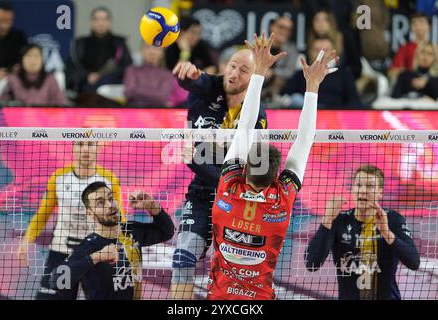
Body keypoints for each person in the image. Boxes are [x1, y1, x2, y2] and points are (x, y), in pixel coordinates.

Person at [206, 32, 338, 300]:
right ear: (277, 176)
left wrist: (259, 71)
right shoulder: (281, 198)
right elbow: (305, 140)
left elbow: (245, 125)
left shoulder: (229, 187)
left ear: (244, 169)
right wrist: (312, 86)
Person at [169, 42, 268, 299]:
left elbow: (244, 179)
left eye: (243, 70)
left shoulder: (256, 115)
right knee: (182, 259)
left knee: (232, 274)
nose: (233, 74)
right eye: (232, 66)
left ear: (256, 78)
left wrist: (196, 163)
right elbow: (194, 81)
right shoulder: (209, 87)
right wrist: (188, 73)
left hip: (237, 201)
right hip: (201, 195)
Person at [17, 141, 124, 299]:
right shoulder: (59, 177)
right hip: (62, 254)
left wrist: (123, 246)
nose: (86, 149)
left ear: (98, 148)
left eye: (90, 144)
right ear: (73, 148)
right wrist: (27, 241)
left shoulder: (108, 179)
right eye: (80, 144)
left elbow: (118, 217)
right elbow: (43, 214)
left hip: (98, 254)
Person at [305, 165, 420, 300]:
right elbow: (312, 264)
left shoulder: (393, 220)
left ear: (380, 192)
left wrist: (386, 232)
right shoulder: (339, 220)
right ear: (353, 189)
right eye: (358, 185)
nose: (363, 190)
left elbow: (414, 263)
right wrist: (326, 221)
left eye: (370, 186)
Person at [48, 181, 174, 300]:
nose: (110, 205)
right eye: (100, 203)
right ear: (90, 213)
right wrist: (96, 257)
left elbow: (167, 232)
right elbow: (56, 281)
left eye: (110, 198)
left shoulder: (131, 231)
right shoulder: (88, 247)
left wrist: (151, 206)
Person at [283, 35, 363, 109]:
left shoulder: (345, 75)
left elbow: (354, 102)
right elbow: (285, 98)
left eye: (326, 50)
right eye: (317, 50)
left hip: (334, 118)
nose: (321, 54)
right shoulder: (301, 75)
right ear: (310, 52)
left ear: (334, 54)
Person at [65, 6, 132, 94]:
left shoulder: (119, 43)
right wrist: (87, 75)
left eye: (104, 19)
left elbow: (128, 67)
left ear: (110, 22)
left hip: (111, 90)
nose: (100, 23)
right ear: (91, 22)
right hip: (84, 91)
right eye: (96, 19)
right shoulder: (80, 43)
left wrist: (103, 77)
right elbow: (71, 67)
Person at [0, 44, 67, 105]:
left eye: (36, 56)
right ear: (22, 59)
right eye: (29, 56)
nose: (33, 60)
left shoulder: (50, 78)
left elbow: (60, 103)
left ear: (42, 60)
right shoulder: (13, 79)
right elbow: (3, 103)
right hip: (20, 117)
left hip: (45, 117)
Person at [123, 41, 186, 107]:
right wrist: (155, 93)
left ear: (162, 52)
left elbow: (163, 96)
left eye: (156, 48)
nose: (151, 51)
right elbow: (129, 92)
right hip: (133, 112)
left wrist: (137, 91)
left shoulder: (167, 74)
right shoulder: (132, 70)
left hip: (159, 113)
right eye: (147, 47)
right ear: (141, 50)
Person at [0, 1, 27, 98]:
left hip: (6, 81)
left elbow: (24, 61)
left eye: (9, 21)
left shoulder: (18, 37)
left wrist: (16, 69)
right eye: (1, 20)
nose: (5, 25)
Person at [262, 15, 299, 105]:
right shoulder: (261, 45)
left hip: (279, 90)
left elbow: (290, 71)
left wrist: (272, 73)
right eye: (281, 27)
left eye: (288, 29)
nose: (284, 31)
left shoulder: (292, 49)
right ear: (272, 27)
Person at [389, 13, 434, 83]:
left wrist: (427, 79)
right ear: (411, 27)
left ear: (429, 26)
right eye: (414, 24)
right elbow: (392, 72)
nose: (418, 27)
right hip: (410, 84)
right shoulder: (405, 48)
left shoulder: (436, 48)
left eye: (421, 23)